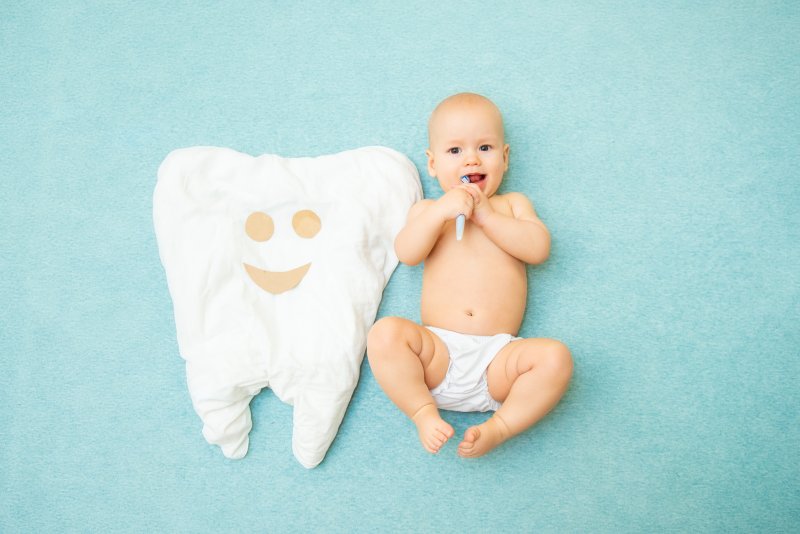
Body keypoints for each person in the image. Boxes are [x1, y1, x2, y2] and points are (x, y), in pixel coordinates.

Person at [367, 93, 573, 458]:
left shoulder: (511, 205)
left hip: (498, 362)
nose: (472, 158)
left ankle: (500, 427)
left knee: (556, 359)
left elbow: (538, 249)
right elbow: (407, 253)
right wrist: (439, 214)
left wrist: (488, 217)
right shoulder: (429, 210)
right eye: (454, 151)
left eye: (485, 147)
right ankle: (422, 412)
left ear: (505, 158)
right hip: (437, 354)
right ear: (432, 164)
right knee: (384, 335)